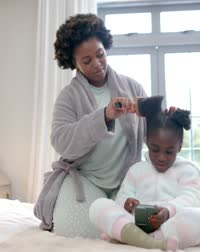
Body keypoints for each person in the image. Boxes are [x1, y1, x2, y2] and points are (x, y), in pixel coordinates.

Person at [33, 13, 148, 238]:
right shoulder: (68, 97)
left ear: (106, 48)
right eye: (86, 61)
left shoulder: (132, 87)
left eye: (100, 55)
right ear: (73, 63)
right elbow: (60, 141)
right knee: (78, 230)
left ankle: (116, 211)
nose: (97, 64)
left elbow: (152, 132)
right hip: (86, 180)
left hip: (125, 181)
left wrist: (167, 120)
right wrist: (104, 115)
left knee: (149, 222)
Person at [89, 96, 200, 250]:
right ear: (146, 141)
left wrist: (167, 212)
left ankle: (135, 238)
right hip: (134, 223)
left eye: (169, 151)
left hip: (168, 226)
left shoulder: (188, 171)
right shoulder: (137, 170)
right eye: (155, 149)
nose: (161, 157)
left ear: (179, 146)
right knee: (98, 206)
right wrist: (127, 204)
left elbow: (191, 199)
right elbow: (122, 198)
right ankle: (147, 240)